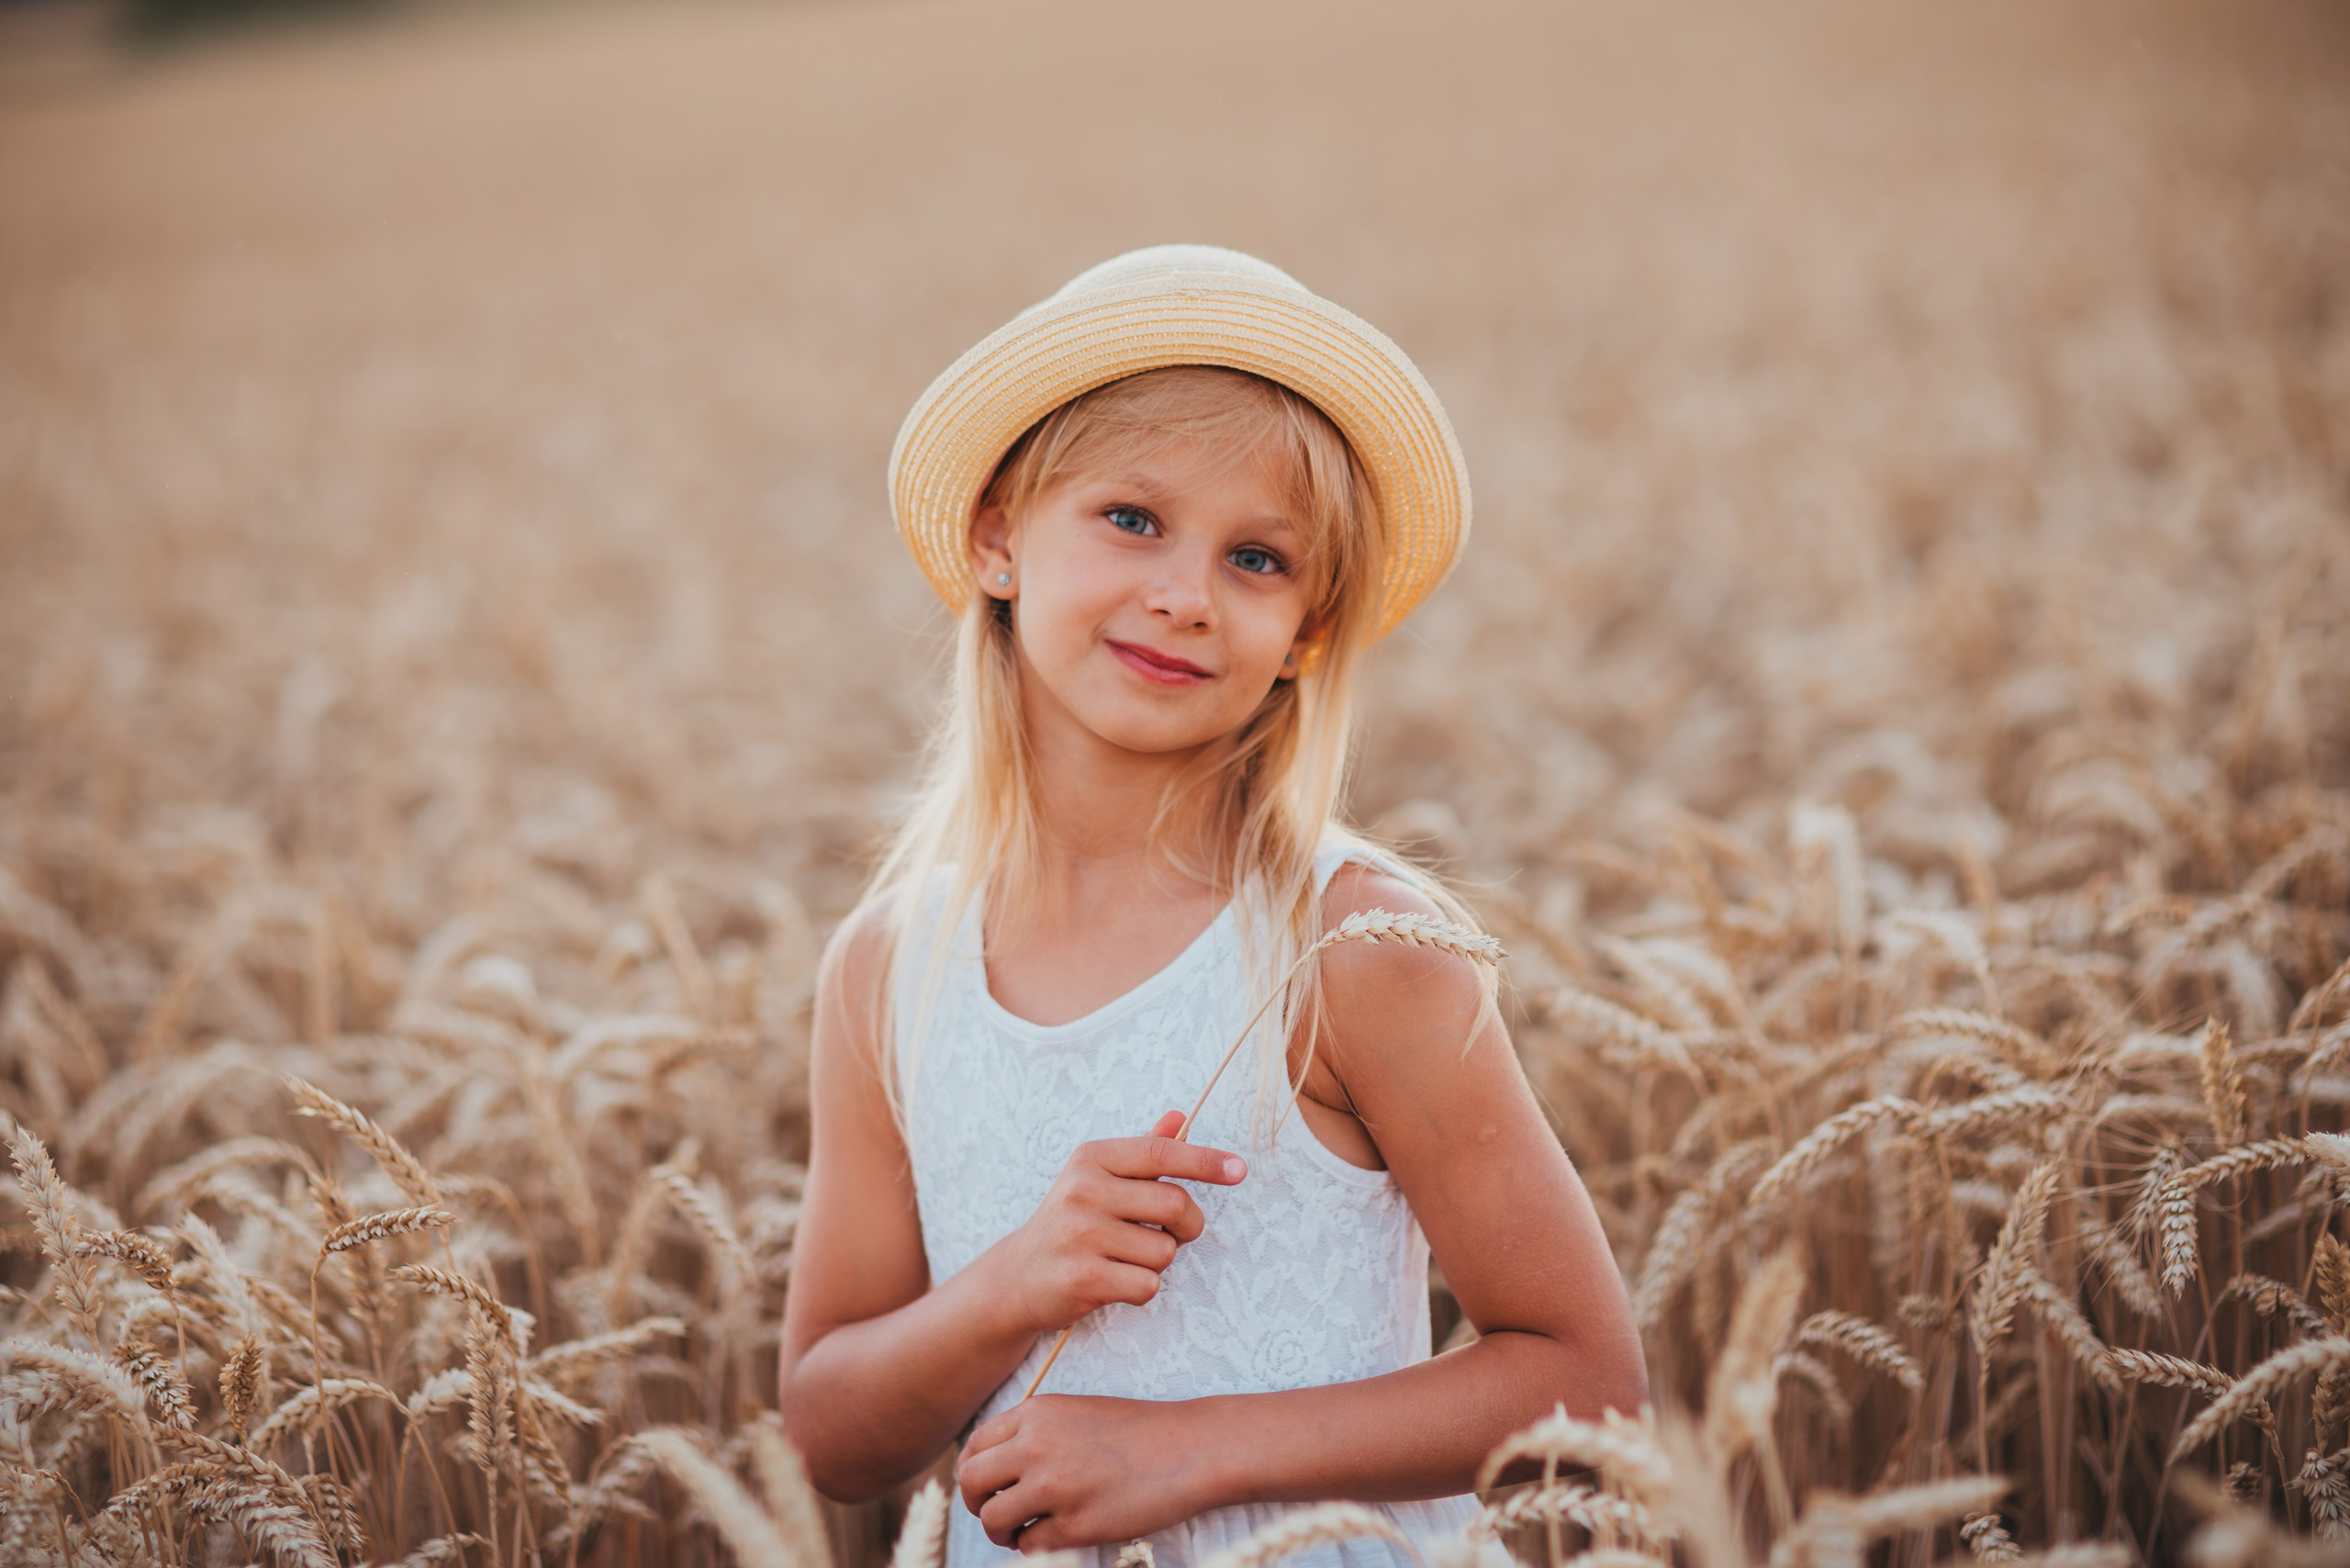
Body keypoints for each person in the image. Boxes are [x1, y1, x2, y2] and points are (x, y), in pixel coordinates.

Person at [778, 246, 1646, 1568]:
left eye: (1256, 558)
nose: (1185, 595)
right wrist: (1012, 1287)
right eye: (1131, 519)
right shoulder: (886, 972)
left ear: (1306, 634)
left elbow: (1586, 1377)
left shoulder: (1349, 950)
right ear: (998, 537)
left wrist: (1185, 1451)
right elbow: (833, 1430)